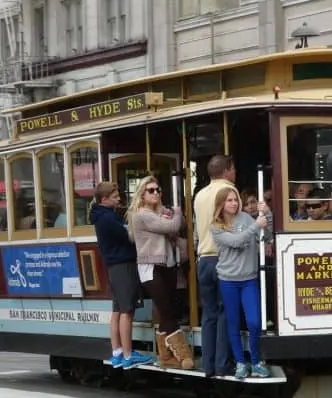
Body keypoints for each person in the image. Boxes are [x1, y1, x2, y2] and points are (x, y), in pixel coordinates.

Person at [128, 176, 193, 370]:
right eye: (151, 190)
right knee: (166, 309)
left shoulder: (160, 213)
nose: (156, 193)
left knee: (167, 310)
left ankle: (165, 357)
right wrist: (178, 211)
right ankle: (183, 353)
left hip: (168, 264)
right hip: (151, 267)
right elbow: (174, 225)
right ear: (141, 194)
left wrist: (171, 216)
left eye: (158, 189)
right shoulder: (141, 215)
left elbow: (176, 226)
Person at [211, 187, 272, 379]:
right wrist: (256, 226)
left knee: (254, 322)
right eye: (229, 200)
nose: (234, 203)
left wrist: (267, 215)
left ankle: (255, 361)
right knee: (233, 322)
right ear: (221, 204)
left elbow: (266, 236)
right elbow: (236, 241)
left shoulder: (246, 218)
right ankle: (240, 362)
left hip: (249, 279)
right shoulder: (216, 226)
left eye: (235, 199)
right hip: (228, 280)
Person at [91, 182, 152, 369]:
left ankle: (117, 351)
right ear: (104, 199)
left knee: (117, 310)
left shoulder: (101, 216)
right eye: (115, 196)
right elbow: (129, 236)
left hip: (113, 266)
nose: (119, 199)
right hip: (122, 265)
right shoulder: (108, 219)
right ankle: (127, 354)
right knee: (127, 311)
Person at [194, 155, 236, 377]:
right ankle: (223, 363)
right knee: (226, 311)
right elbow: (235, 226)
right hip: (224, 258)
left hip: (204, 259)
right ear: (227, 170)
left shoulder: (199, 195)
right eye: (234, 169)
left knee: (209, 313)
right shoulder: (229, 192)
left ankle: (208, 364)